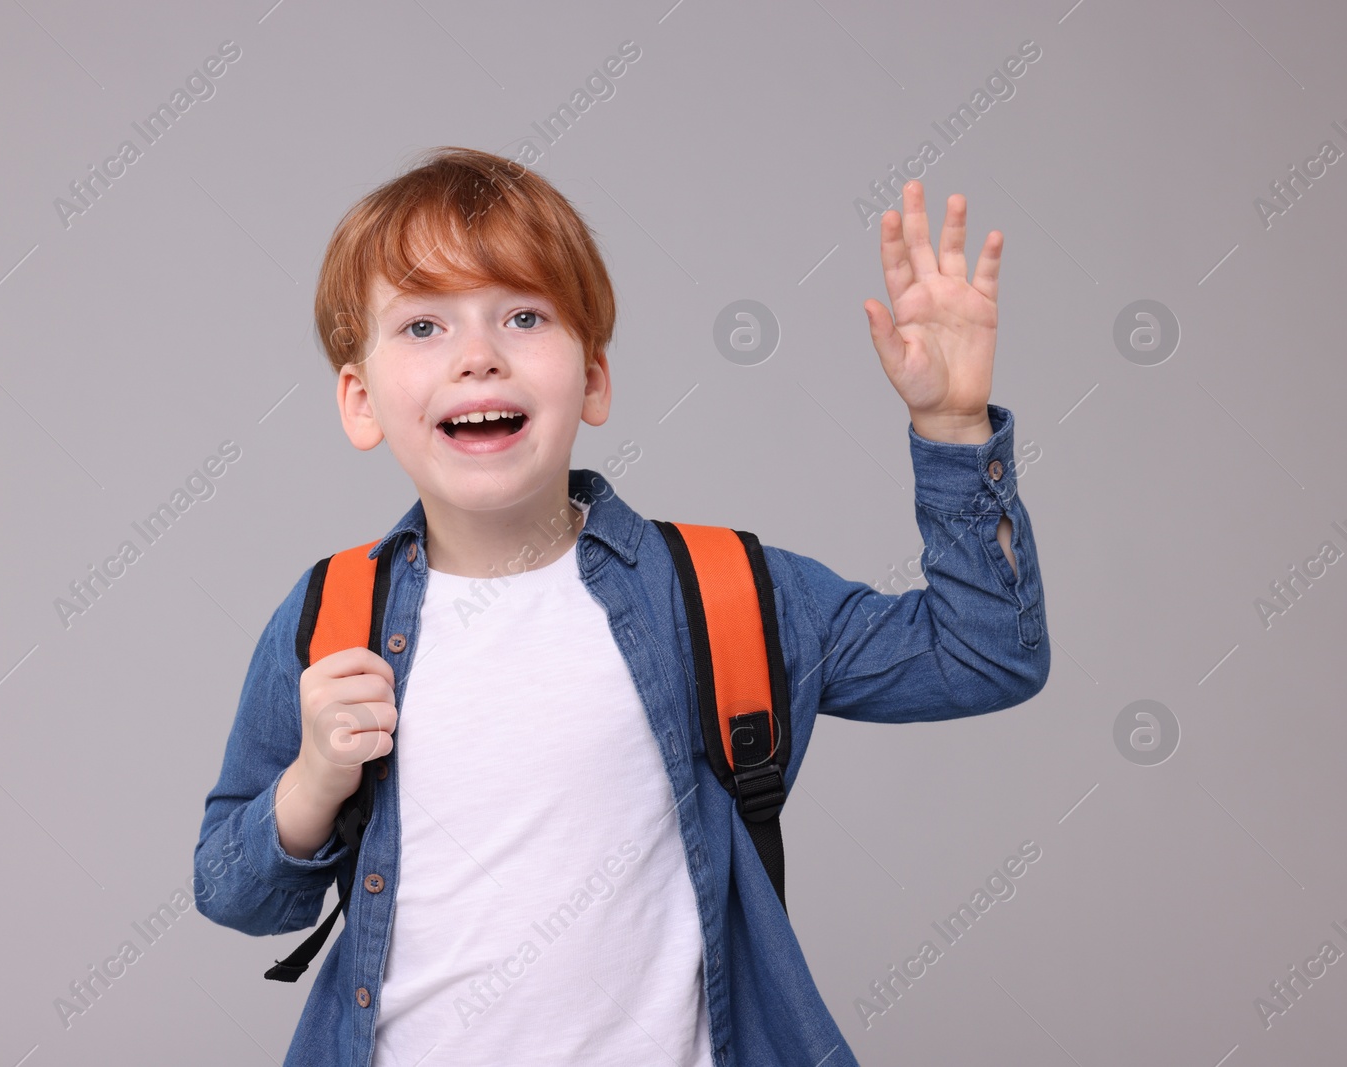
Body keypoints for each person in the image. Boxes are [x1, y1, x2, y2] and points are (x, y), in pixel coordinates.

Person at [193, 145, 1049, 1067]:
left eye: (524, 315)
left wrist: (955, 428)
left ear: (593, 379)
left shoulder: (720, 593)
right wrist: (313, 780)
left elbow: (984, 654)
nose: (478, 356)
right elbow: (234, 891)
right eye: (423, 327)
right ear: (361, 402)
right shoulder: (333, 614)